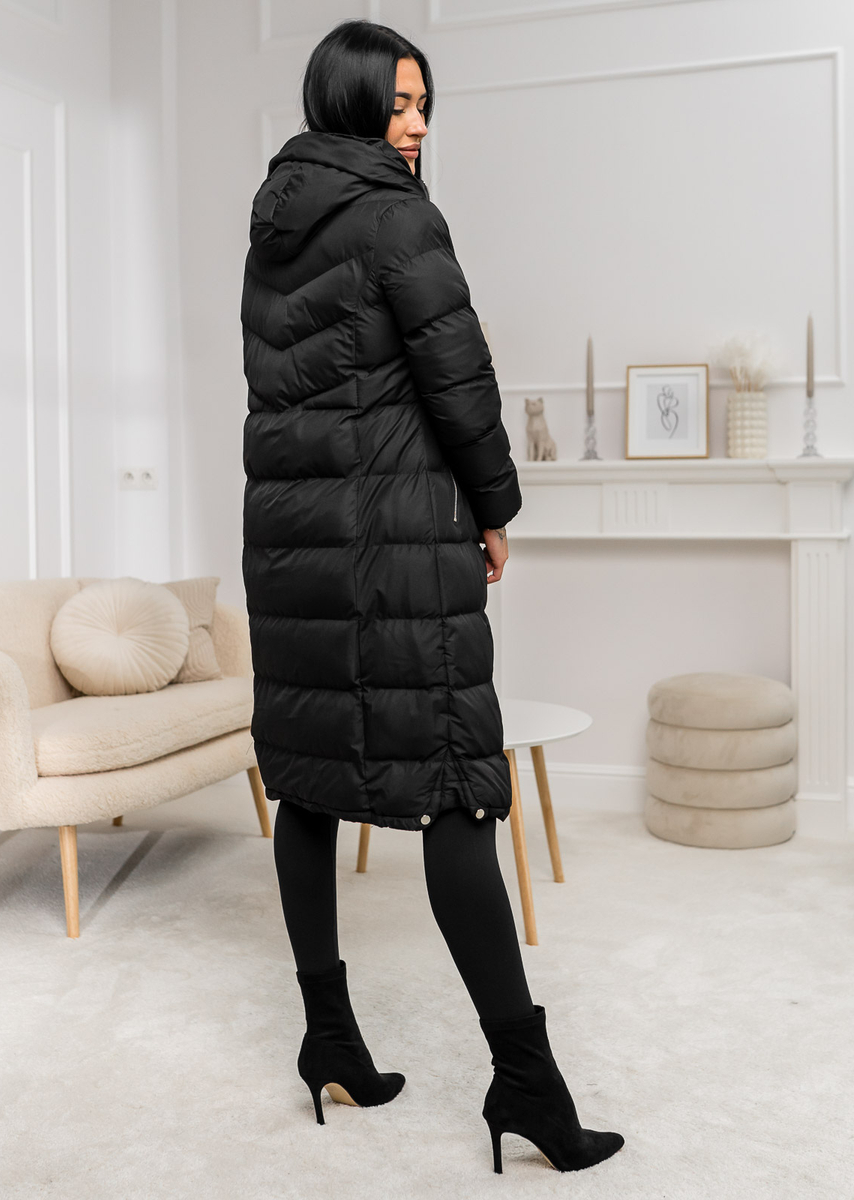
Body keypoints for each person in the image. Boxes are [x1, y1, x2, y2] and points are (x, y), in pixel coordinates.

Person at [239, 18, 624, 1176]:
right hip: (398, 542)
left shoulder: (274, 223)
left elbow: (290, 390)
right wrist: (495, 506)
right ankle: (526, 1085)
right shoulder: (399, 213)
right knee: (458, 784)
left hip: (292, 545)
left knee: (307, 782)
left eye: (423, 107)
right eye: (399, 104)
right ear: (353, 102)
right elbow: (459, 379)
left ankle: (330, 1040)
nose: (415, 126)